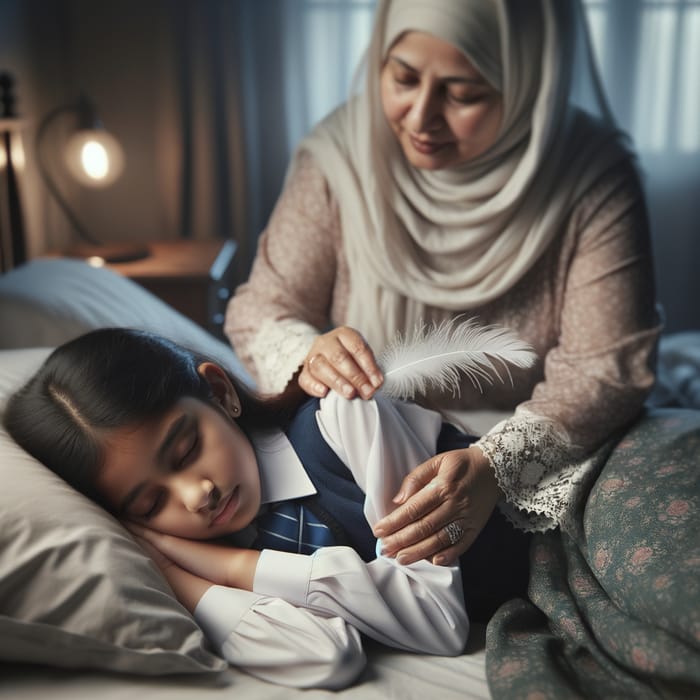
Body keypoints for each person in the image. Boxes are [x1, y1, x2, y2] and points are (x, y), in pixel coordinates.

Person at [225, 0, 661, 565]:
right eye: (403, 77)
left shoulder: (591, 177)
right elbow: (263, 307)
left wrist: (493, 468)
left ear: (528, 81)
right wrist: (310, 354)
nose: (419, 117)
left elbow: (606, 367)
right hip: (369, 441)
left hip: (523, 452)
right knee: (305, 438)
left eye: (463, 94)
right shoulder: (341, 158)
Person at [3, 327, 530, 689]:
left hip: (564, 526)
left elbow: (436, 620)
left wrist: (234, 568)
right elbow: (329, 655)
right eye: (150, 501)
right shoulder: (210, 549)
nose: (197, 494)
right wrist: (180, 580)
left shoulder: (342, 418)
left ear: (219, 391)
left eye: (186, 450)